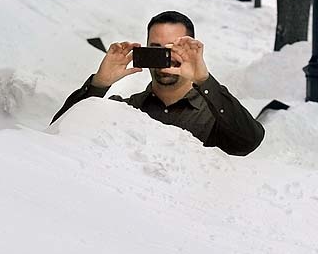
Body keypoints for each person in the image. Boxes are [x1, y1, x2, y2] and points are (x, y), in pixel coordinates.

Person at [51, 11, 264, 156]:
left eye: (173, 48)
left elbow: (249, 141)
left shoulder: (214, 116)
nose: (165, 57)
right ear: (145, 50)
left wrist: (203, 80)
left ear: (191, 49)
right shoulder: (125, 109)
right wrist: (99, 84)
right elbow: (60, 132)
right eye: (156, 48)